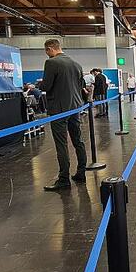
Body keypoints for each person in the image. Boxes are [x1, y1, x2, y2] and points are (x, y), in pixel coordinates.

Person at [37, 39, 87, 190]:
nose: (47, 54)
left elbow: (46, 86)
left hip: (59, 110)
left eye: (47, 51)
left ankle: (64, 178)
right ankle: (81, 172)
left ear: (50, 49)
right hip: (74, 108)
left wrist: (39, 84)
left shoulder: (51, 63)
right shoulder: (76, 64)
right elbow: (81, 86)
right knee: (78, 141)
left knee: (61, 144)